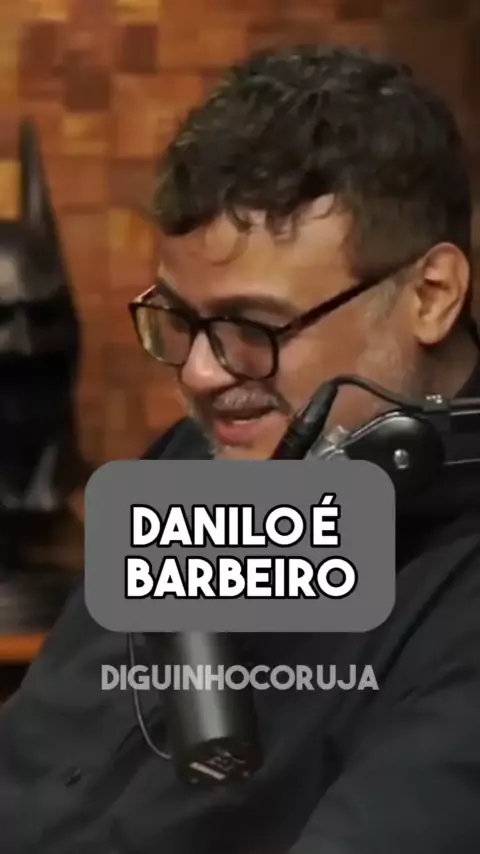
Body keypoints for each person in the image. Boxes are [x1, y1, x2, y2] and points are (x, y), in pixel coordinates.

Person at [1, 44, 480, 853]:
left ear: (430, 295)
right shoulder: (197, 459)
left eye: (254, 327)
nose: (199, 372)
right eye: (181, 319)